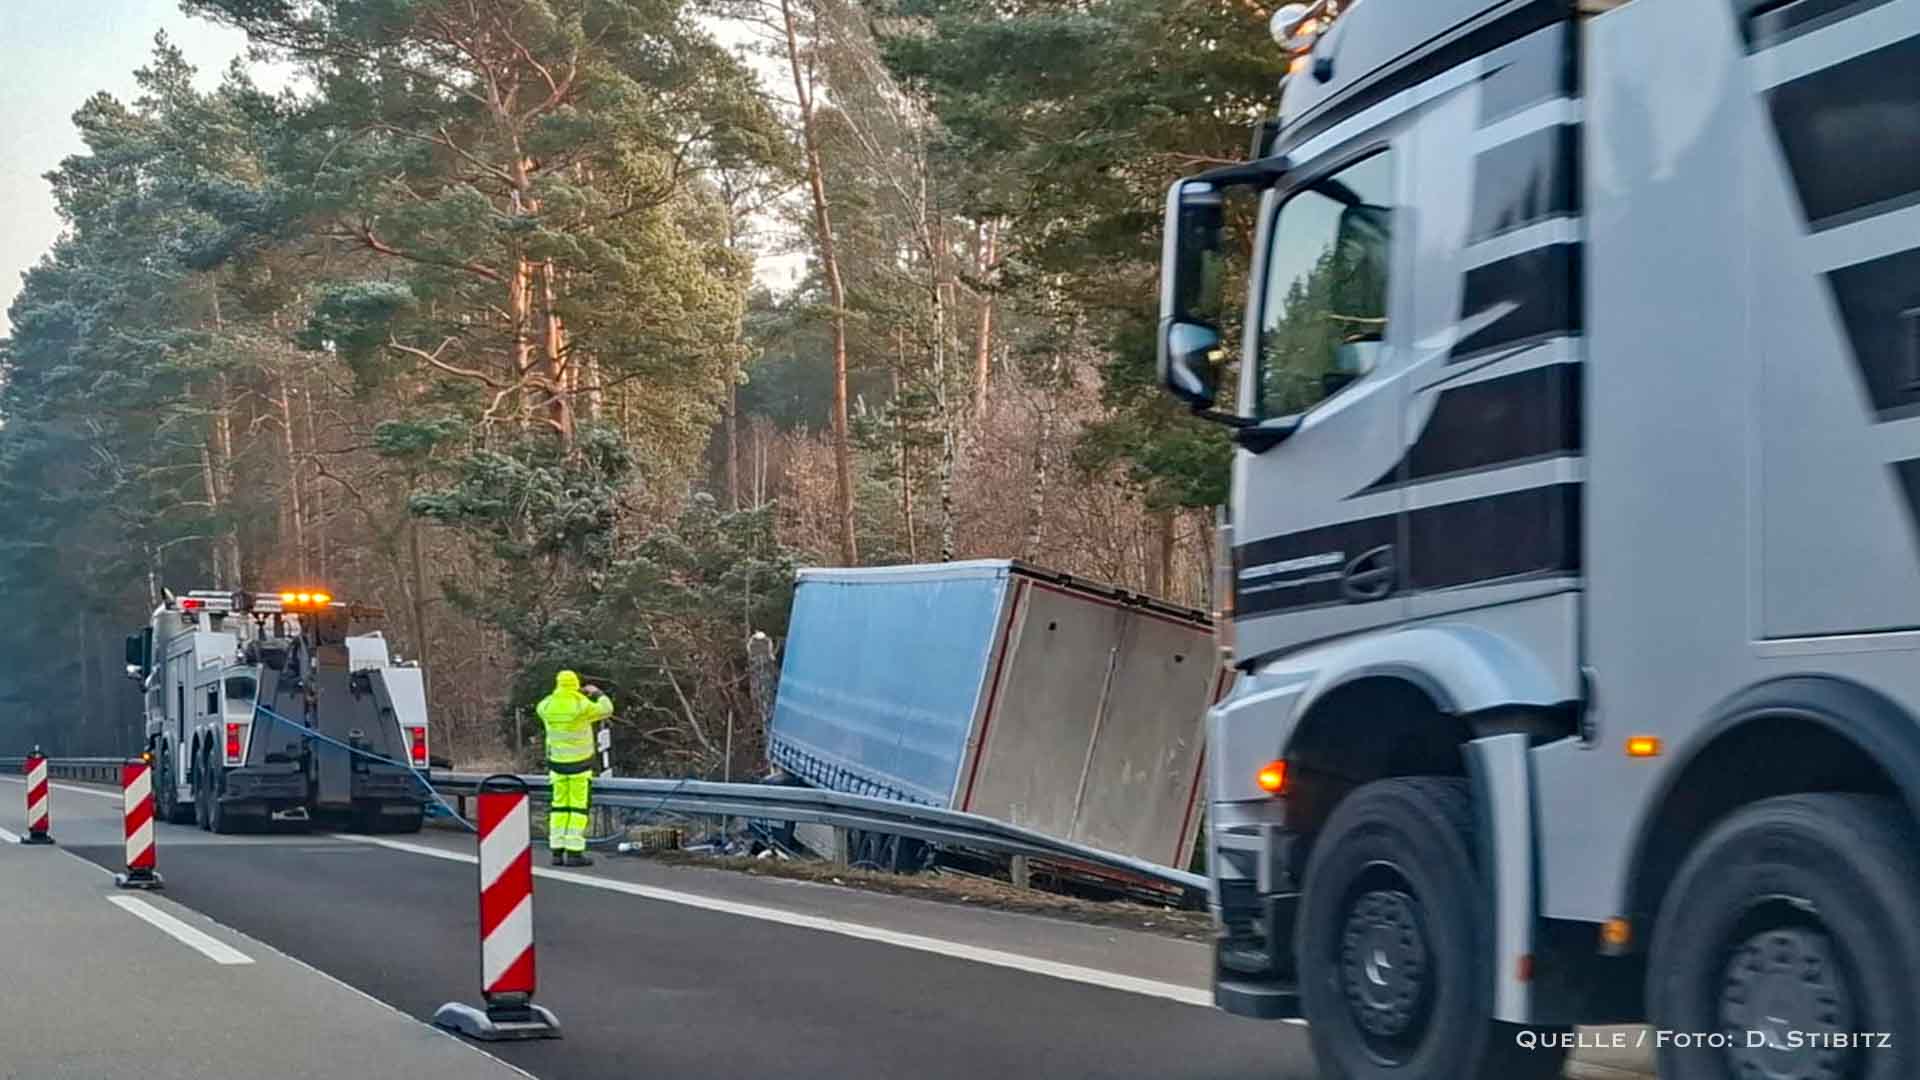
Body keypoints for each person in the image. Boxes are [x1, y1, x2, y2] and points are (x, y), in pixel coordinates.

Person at [536, 670, 614, 866]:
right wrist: (596, 693)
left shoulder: (546, 705)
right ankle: (574, 852)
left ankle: (556, 850)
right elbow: (607, 709)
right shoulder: (581, 704)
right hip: (580, 765)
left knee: (559, 807)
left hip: (556, 766)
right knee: (578, 808)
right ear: (576, 684)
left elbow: (543, 708)